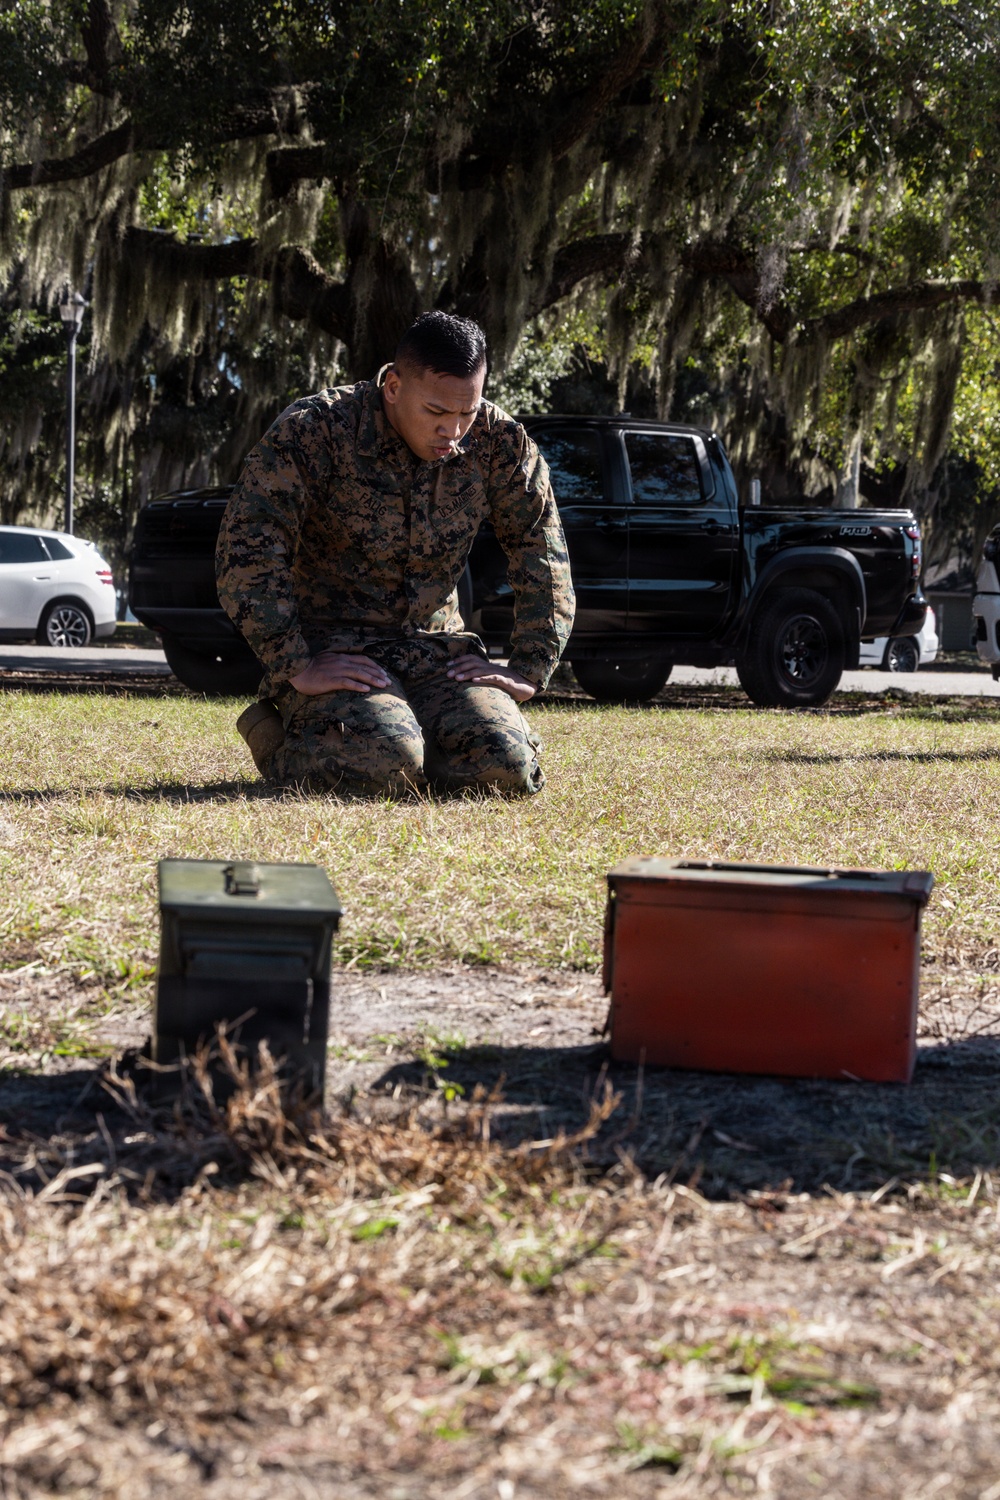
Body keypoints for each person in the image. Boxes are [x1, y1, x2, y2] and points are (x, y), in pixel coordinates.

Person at [216, 311, 575, 797]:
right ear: (392, 385)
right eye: (435, 412)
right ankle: (275, 737)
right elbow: (249, 545)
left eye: (466, 413)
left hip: (436, 650)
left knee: (506, 767)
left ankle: (420, 740)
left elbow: (541, 548)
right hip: (337, 651)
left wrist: (529, 666)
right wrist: (295, 662)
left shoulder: (500, 442)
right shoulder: (316, 430)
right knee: (386, 763)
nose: (453, 432)